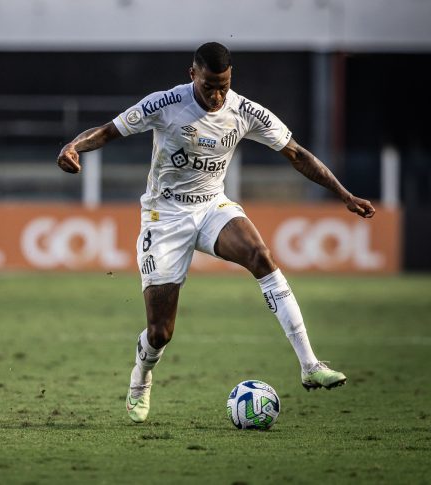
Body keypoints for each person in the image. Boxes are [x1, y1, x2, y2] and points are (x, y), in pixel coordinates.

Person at [56, 42, 375, 424]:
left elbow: (297, 154)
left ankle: (309, 363)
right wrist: (74, 146)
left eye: (223, 85)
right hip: (164, 217)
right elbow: (109, 131)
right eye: (209, 85)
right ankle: (141, 377)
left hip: (211, 207)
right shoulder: (164, 104)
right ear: (193, 74)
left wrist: (344, 195)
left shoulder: (244, 111)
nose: (216, 95)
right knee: (160, 332)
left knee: (262, 258)